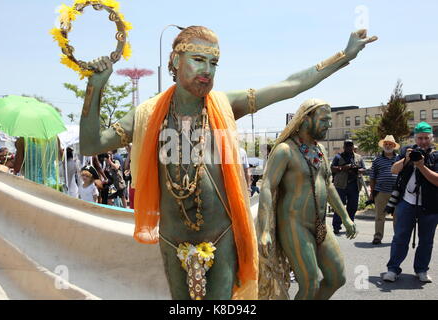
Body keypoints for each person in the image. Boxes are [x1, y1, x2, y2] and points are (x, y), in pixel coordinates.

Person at [78, 26, 376, 300]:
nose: (206, 71)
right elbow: (93, 144)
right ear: (174, 61)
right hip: (172, 240)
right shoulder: (147, 114)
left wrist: (344, 55)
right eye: (197, 60)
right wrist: (95, 89)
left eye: (213, 63)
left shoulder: (224, 105)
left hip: (222, 237)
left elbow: (291, 85)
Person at [257, 99, 357, 300]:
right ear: (305, 119)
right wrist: (265, 229)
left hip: (320, 224)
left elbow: (328, 185)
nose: (328, 124)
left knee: (337, 278)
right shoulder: (285, 150)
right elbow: (267, 186)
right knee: (310, 284)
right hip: (294, 225)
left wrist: (345, 217)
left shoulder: (320, 151)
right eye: (324, 120)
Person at [382, 122, 438, 283]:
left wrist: (421, 166)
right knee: (400, 237)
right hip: (406, 202)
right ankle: (393, 269)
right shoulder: (406, 152)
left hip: (430, 205)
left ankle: (421, 270)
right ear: (415, 138)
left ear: (431, 138)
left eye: (426, 138)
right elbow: (394, 170)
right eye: (420, 138)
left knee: (426, 240)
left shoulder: (436, 155)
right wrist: (406, 159)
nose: (423, 142)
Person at [330, 140, 366, 234]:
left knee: (352, 207)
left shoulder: (358, 157)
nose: (349, 147)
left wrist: (358, 170)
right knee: (339, 206)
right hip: (341, 185)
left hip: (354, 185)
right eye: (347, 146)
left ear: (353, 146)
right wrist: (343, 168)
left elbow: (364, 169)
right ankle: (336, 226)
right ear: (344, 147)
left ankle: (350, 225)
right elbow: (332, 168)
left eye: (351, 145)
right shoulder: (338, 156)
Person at [369, 135, 399, 245]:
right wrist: (372, 193)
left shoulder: (399, 159)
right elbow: (372, 177)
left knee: (397, 217)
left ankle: (398, 237)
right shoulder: (377, 160)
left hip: (396, 192)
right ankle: (377, 237)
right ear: (383, 145)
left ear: (394, 146)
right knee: (379, 216)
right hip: (380, 192)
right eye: (386, 144)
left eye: (390, 144)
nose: (388, 146)